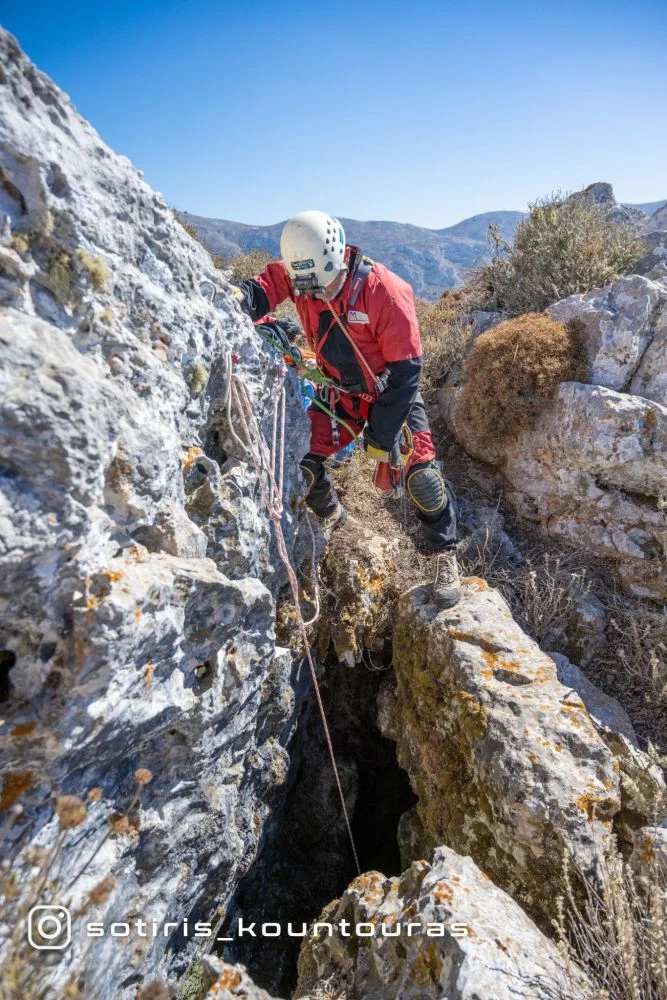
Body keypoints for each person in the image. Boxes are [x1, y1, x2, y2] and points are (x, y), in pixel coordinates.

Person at [233, 210, 461, 608]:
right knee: (303, 462)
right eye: (307, 287)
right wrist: (238, 299)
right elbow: (264, 288)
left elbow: (407, 373)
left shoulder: (384, 291)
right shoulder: (303, 272)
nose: (315, 295)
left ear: (336, 260)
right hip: (339, 392)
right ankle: (333, 517)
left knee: (423, 478)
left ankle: (445, 554)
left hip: (391, 393)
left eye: (320, 286)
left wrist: (381, 436)